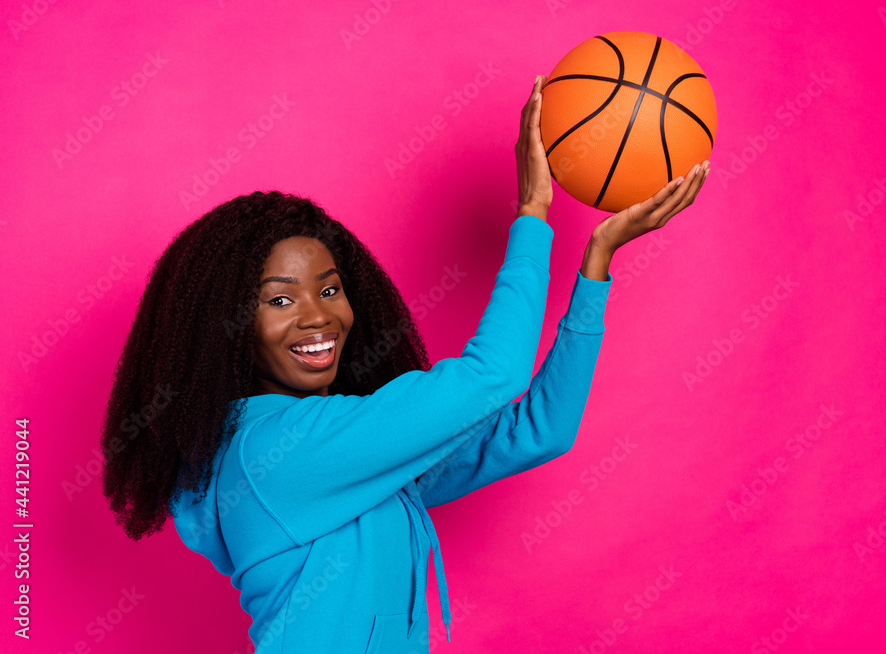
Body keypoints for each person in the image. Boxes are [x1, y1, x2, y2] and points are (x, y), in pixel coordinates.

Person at [99, 74, 708, 653]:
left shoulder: (352, 455)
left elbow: (540, 431)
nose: (318, 318)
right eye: (280, 300)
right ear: (225, 326)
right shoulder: (270, 453)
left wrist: (596, 264)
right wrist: (532, 214)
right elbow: (492, 375)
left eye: (331, 290)